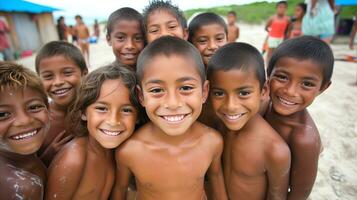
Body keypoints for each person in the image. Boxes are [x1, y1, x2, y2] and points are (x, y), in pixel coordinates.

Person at [111, 36, 227, 200]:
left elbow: (216, 182)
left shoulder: (212, 142)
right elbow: (120, 192)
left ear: (204, 92)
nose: (172, 104)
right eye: (157, 90)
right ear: (141, 96)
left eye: (185, 88)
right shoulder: (130, 151)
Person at [207, 43, 291, 199]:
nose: (230, 106)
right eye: (219, 93)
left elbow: (277, 196)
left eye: (244, 93)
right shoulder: (218, 127)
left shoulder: (275, 150)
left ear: (264, 91)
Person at [45, 64, 139, 199]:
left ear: (138, 117)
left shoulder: (118, 152)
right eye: (102, 108)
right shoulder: (74, 160)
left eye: (126, 110)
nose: (113, 121)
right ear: (83, 112)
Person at [264, 36, 334, 199]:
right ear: (269, 73)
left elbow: (299, 193)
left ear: (323, 87)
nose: (290, 91)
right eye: (282, 77)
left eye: (307, 84)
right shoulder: (263, 103)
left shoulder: (304, 139)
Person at [0, 62, 50, 199]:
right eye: (2, 114)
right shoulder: (23, 188)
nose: (24, 121)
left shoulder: (24, 158)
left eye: (34, 107)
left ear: (48, 109)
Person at [35, 41, 88, 166]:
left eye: (67, 73)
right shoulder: (39, 120)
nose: (58, 82)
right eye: (48, 77)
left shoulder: (95, 110)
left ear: (84, 74)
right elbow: (26, 168)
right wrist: (48, 155)